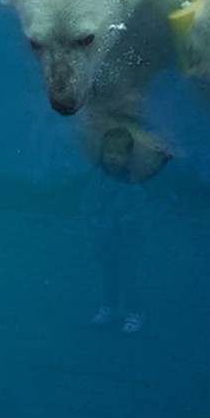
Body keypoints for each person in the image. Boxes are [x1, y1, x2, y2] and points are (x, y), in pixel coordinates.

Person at [82, 126, 148, 334]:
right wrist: (92, 219)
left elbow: (138, 213)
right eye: (109, 152)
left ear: (128, 157)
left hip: (126, 241)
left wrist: (120, 222)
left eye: (119, 154)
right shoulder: (97, 178)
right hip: (105, 239)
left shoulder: (132, 185)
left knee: (128, 276)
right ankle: (109, 306)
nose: (113, 157)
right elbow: (87, 202)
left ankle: (135, 311)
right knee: (108, 275)